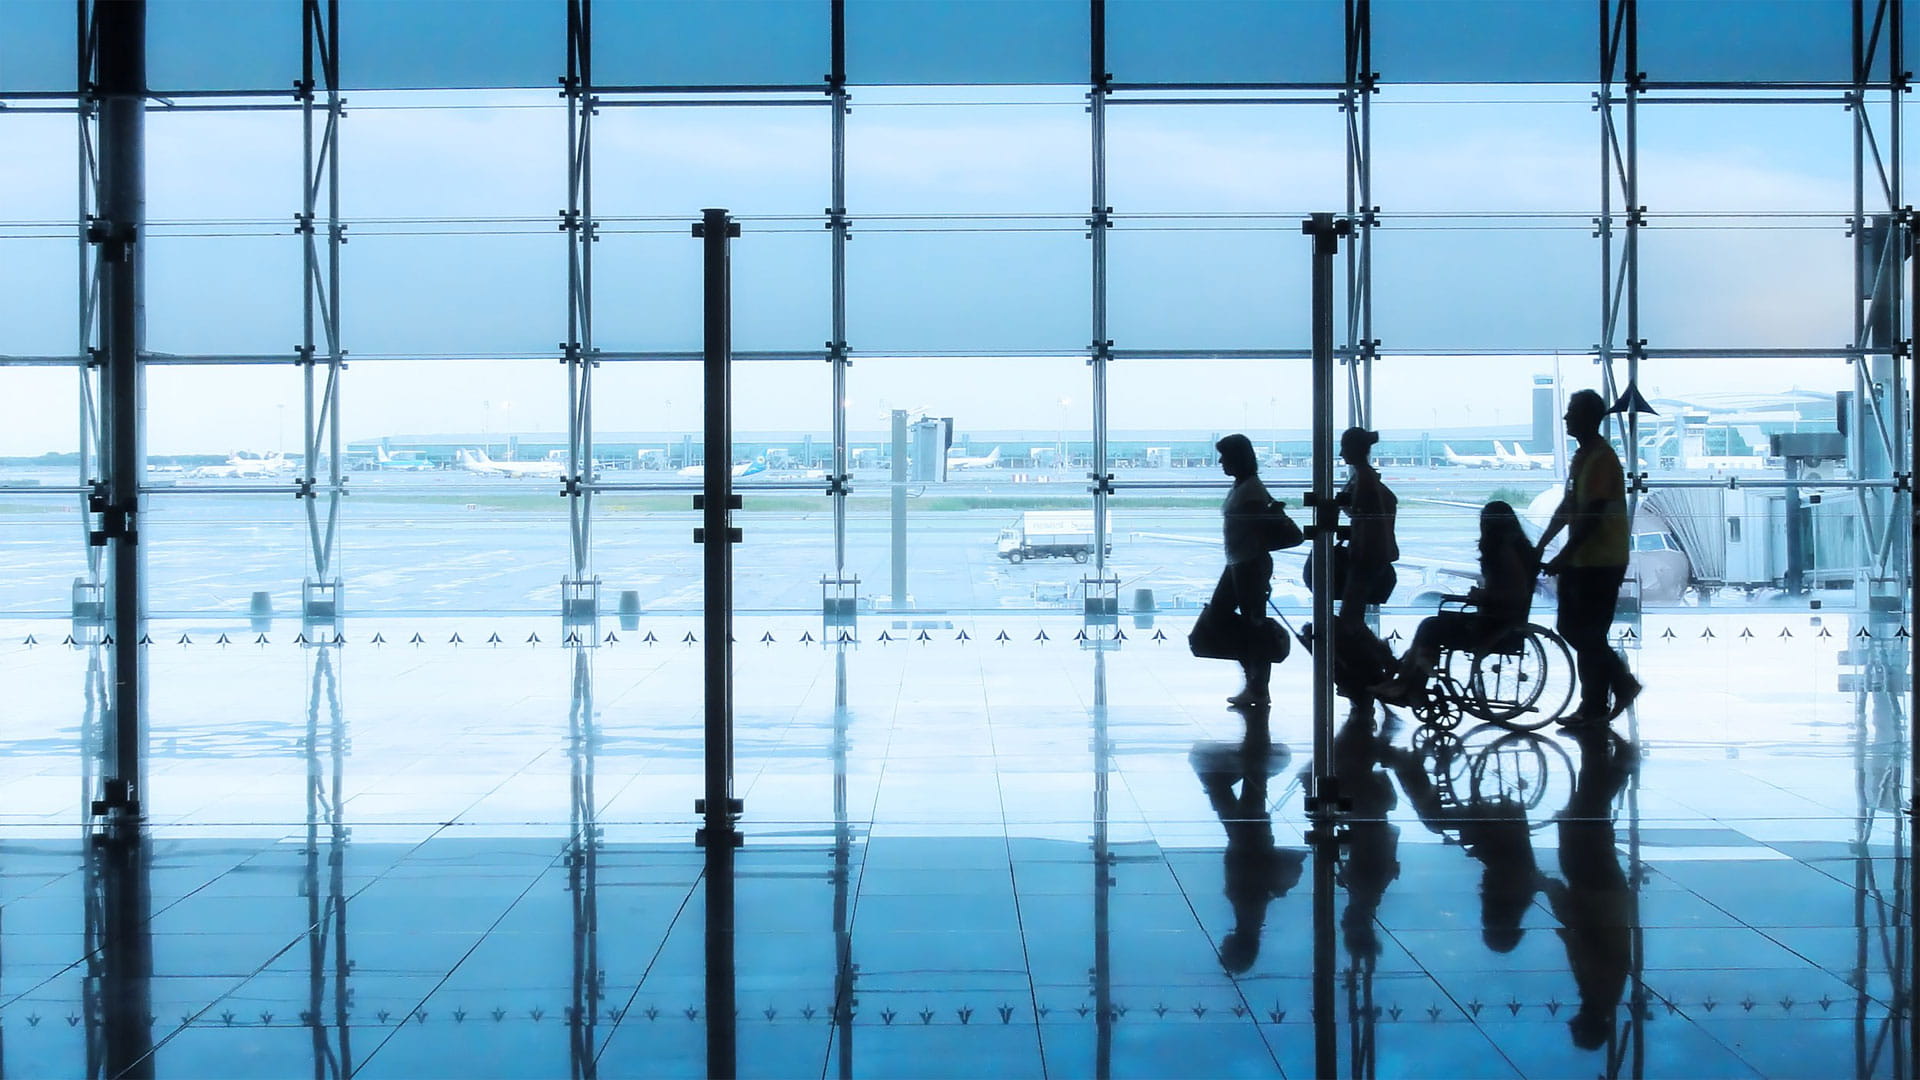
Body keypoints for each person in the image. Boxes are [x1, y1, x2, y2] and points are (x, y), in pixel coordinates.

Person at [1536, 390, 1642, 723]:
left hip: (1600, 561)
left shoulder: (1601, 459)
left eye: (1571, 412)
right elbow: (1569, 507)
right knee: (1582, 632)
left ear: (1587, 417)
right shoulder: (1584, 457)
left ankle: (1618, 686)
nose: (1566, 418)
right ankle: (1594, 704)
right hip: (1587, 561)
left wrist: (1562, 554)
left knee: (1582, 631)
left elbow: (1590, 518)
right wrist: (1543, 545)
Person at [1374, 501, 1537, 705]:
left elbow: (1515, 594)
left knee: (1431, 627)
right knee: (1432, 625)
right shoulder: (1514, 550)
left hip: (1494, 625)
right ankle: (1408, 684)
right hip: (1498, 621)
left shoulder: (1504, 553)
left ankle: (1408, 683)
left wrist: (1482, 595)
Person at [1214, 433, 1284, 706]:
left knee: (1253, 626)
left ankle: (1258, 684)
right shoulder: (1243, 485)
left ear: (1237, 458)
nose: (1221, 461)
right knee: (1243, 622)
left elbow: (1259, 530)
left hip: (1249, 564)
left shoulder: (1251, 490)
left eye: (1225, 456)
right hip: (1238, 562)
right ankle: (1254, 681)